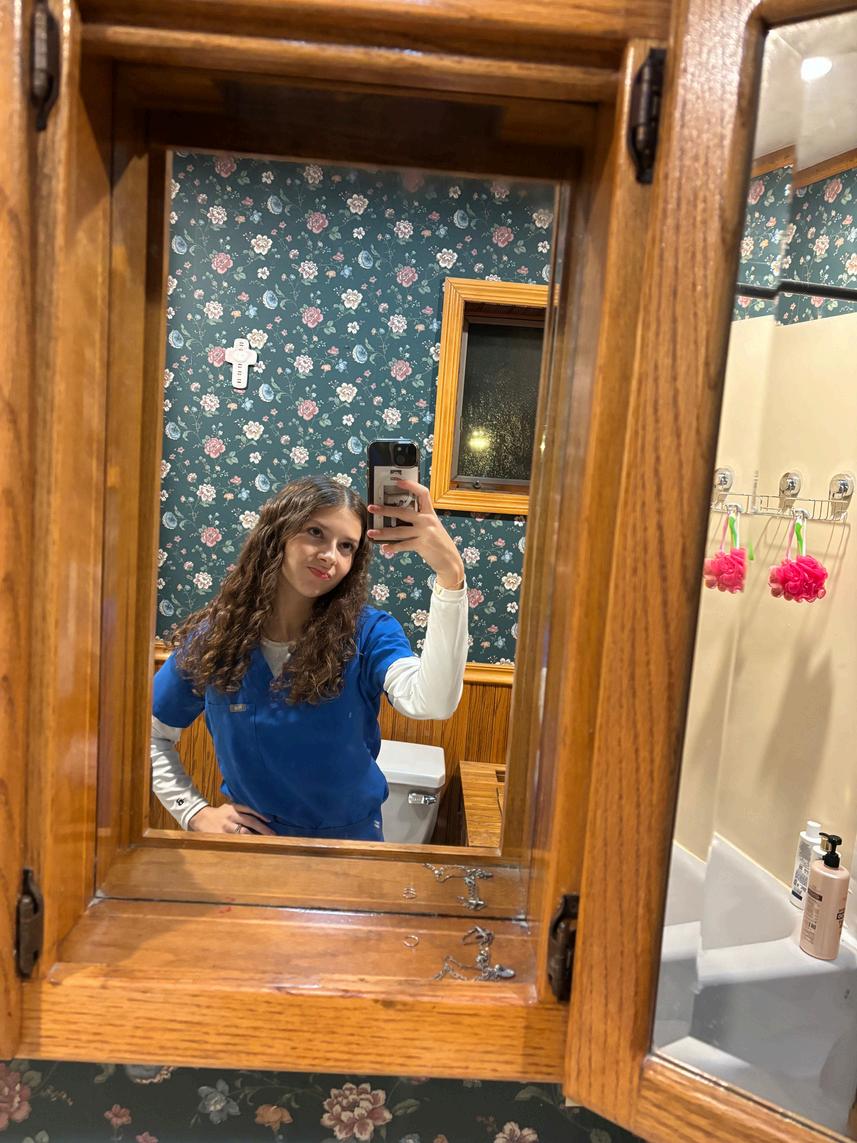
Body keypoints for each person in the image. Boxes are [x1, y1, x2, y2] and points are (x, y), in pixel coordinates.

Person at [151, 474, 468, 842]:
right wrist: (192, 812)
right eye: (316, 533)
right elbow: (150, 734)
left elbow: (433, 702)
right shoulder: (216, 639)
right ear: (278, 535)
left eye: (346, 546)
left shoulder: (369, 633)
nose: (330, 555)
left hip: (353, 849)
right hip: (253, 846)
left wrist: (451, 576)